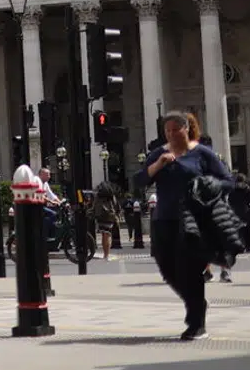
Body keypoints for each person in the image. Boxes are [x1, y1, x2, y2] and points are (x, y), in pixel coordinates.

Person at [135, 111, 231, 341]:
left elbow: (227, 181)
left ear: (186, 129)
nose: (170, 134)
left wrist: (205, 187)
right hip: (164, 218)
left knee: (189, 270)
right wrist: (158, 165)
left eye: (175, 129)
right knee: (167, 267)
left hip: (194, 221)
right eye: (167, 130)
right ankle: (196, 301)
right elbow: (138, 181)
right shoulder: (160, 153)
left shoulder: (202, 154)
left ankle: (197, 323)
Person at [92, 183, 120, 262]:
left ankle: (105, 254)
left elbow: (94, 205)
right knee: (107, 235)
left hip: (100, 216)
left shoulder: (98, 196)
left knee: (103, 234)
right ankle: (106, 255)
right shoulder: (111, 196)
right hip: (109, 216)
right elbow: (116, 205)